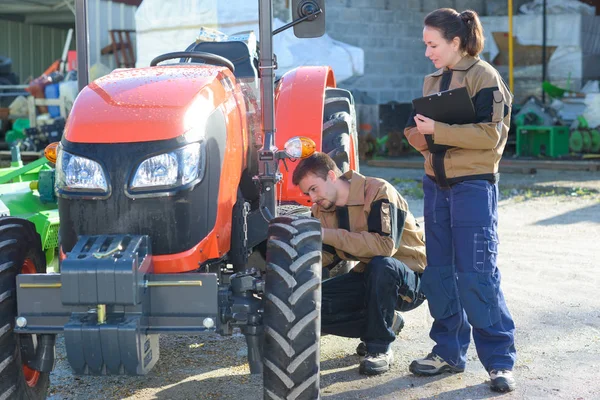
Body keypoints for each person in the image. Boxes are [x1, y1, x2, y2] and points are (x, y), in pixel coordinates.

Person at [404, 8, 517, 393]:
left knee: (477, 275)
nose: (427, 52)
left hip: (473, 188)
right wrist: (420, 135)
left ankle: (500, 362)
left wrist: (440, 129)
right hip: (437, 187)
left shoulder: (485, 76)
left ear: (455, 42)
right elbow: (422, 132)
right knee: (438, 274)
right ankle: (448, 352)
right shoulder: (432, 80)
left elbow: (491, 136)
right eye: (425, 45)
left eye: (432, 45)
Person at [292, 152, 427, 375]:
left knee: (382, 265)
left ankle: (379, 348)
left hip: (409, 280)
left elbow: (384, 247)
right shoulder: (322, 210)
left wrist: (325, 234)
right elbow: (325, 256)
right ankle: (385, 321)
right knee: (305, 304)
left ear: (332, 176)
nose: (312, 198)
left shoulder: (378, 191)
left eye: (314, 189)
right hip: (368, 276)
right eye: (307, 193)